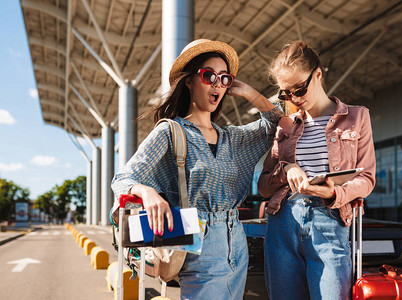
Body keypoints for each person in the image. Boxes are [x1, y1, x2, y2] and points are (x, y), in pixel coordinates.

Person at [111, 39, 282, 300]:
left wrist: (248, 91)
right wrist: (147, 192)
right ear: (189, 81)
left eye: (225, 79)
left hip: (236, 241)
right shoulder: (171, 132)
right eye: (209, 75)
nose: (217, 84)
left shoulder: (233, 138)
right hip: (198, 244)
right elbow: (123, 178)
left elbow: (277, 124)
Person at [257, 41, 376, 300]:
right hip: (283, 223)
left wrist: (335, 193)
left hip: (330, 222)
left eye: (299, 89)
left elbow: (366, 178)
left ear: (318, 74)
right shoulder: (286, 125)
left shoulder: (357, 117)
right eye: (286, 94)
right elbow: (264, 186)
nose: (295, 99)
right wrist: (287, 169)